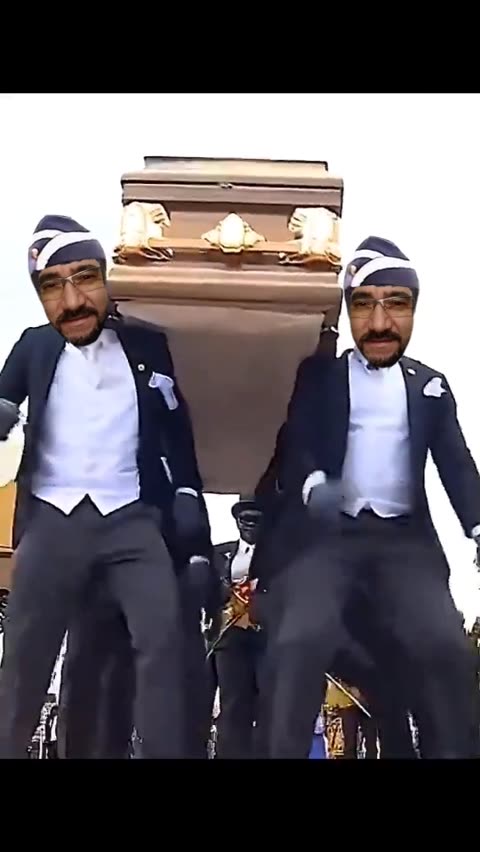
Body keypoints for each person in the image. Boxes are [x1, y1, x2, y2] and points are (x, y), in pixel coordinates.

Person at [253, 235, 480, 759]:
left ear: (414, 310)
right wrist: (314, 485)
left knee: (444, 646)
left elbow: (456, 462)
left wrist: (477, 527)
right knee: (299, 639)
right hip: (328, 541)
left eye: (395, 304)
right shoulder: (319, 375)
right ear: (348, 313)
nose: (379, 323)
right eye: (363, 305)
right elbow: (298, 442)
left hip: (404, 545)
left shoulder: (431, 386)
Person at [0, 214, 209, 759]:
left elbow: (176, 428)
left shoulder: (147, 345)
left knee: (163, 641)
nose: (72, 301)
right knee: (25, 655)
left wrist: (189, 500)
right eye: (52, 286)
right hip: (52, 519)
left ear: (106, 279)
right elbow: (4, 399)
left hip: (131, 520)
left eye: (85, 278)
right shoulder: (33, 346)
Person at [213, 500, 266, 759]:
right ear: (237, 522)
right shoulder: (219, 554)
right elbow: (206, 592)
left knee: (269, 704)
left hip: (267, 639)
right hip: (230, 638)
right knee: (233, 705)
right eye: (246, 519)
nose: (250, 525)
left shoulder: (278, 557)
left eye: (256, 520)